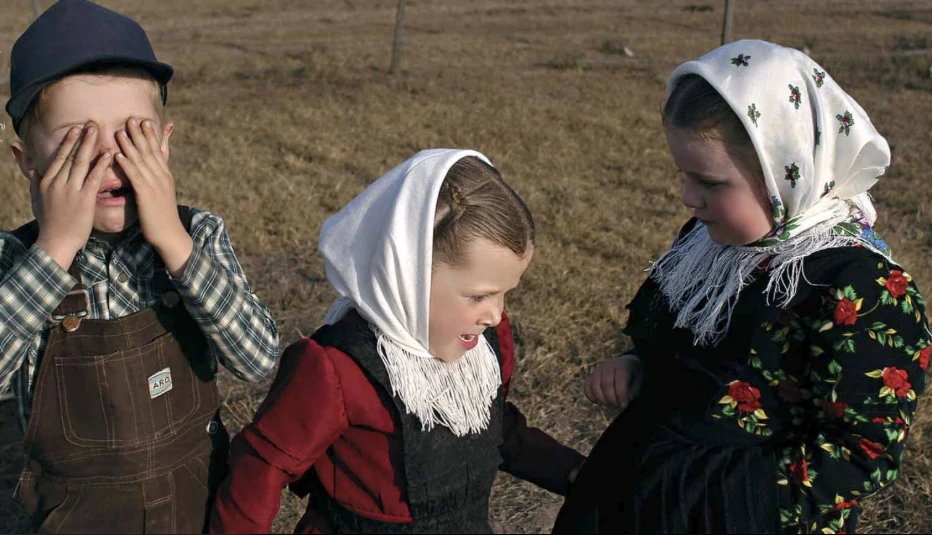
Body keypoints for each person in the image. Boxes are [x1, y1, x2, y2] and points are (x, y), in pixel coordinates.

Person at [553, 40, 931, 534]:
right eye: (684, 177)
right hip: (643, 487)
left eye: (709, 183)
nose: (689, 198)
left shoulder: (862, 290)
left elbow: (863, 450)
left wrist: (723, 502)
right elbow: (675, 342)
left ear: (784, 173)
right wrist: (638, 364)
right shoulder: (705, 246)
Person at [0, 1, 280, 532]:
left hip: (196, 506)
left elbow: (258, 358)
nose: (109, 155)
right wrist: (55, 248)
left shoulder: (197, 237)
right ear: (28, 161)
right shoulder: (15, 262)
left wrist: (173, 243)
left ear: (165, 145)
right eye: (77, 139)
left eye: (133, 133)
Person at [210, 149, 586, 533]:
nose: (494, 314)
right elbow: (261, 467)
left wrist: (575, 473)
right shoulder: (339, 369)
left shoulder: (485, 346)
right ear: (409, 275)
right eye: (478, 296)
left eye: (505, 293)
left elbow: (491, 429)